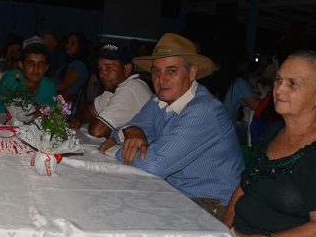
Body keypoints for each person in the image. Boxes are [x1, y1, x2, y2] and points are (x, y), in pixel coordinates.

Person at [222, 51, 316, 237]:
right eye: (278, 80)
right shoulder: (274, 132)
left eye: (293, 83)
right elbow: (244, 187)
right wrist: (222, 232)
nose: (279, 89)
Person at [99, 33, 244, 218]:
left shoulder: (204, 110)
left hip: (210, 205)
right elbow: (123, 129)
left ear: (191, 74)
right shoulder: (158, 100)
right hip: (173, 192)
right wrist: (132, 131)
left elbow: (153, 165)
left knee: (122, 213)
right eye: (156, 71)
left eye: (171, 71)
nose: (161, 80)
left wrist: (113, 149)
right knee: (110, 201)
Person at [69, 43, 152, 138]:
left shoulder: (130, 89)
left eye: (109, 68)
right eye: (100, 68)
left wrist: (95, 120)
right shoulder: (114, 88)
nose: (102, 74)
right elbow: (89, 111)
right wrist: (77, 119)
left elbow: (97, 131)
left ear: (127, 69)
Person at [0, 37, 56, 113]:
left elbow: (52, 114)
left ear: (46, 68)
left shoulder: (49, 85)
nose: (36, 68)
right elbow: (20, 112)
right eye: (31, 63)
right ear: (21, 65)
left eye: (41, 64)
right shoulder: (13, 78)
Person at [55, 32, 89, 103]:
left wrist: (41, 88)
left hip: (59, 103)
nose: (68, 45)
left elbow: (62, 87)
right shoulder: (68, 63)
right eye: (67, 43)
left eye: (72, 44)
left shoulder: (78, 65)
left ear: (80, 46)